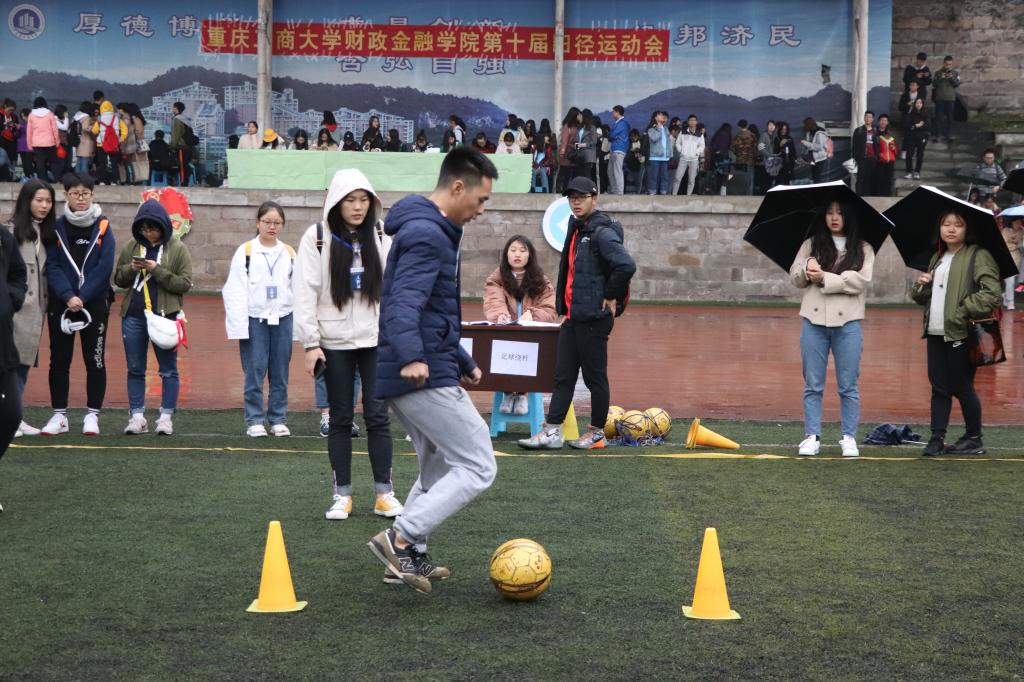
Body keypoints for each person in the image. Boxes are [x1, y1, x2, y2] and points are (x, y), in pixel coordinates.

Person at [366, 147, 499, 594]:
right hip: (417, 372)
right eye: (481, 199)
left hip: (423, 365)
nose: (481, 210)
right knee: (478, 463)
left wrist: (462, 360)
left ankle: (408, 557)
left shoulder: (430, 228)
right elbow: (403, 302)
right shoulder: (428, 233)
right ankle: (400, 539)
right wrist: (412, 357)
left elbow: (432, 312)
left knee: (439, 466)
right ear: (458, 187)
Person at [294, 169, 399, 521]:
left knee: (377, 417)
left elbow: (394, 288)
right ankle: (342, 495)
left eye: (364, 200)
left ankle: (384, 494)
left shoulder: (380, 234)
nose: (357, 207)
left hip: (375, 340)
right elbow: (305, 292)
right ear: (337, 202)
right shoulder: (317, 237)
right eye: (350, 200)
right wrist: (311, 344)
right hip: (332, 342)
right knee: (340, 418)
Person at [519, 176, 636, 451]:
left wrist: (611, 295)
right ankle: (552, 431)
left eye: (581, 197)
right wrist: (564, 310)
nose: (576, 202)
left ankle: (596, 433)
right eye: (572, 198)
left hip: (594, 318)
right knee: (563, 376)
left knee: (595, 378)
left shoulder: (601, 232)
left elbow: (626, 265)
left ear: (594, 199)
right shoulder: (577, 228)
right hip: (573, 317)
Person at [910, 210, 1002, 455]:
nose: (951, 229)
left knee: (962, 386)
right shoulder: (937, 257)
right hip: (935, 331)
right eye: (946, 224)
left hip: (961, 332)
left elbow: (992, 293)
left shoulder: (978, 255)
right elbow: (922, 297)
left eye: (958, 225)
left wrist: (962, 310)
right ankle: (936, 438)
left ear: (967, 229)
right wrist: (921, 284)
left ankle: (974, 438)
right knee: (939, 388)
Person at [788, 201, 873, 457]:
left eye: (840, 212)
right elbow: (795, 277)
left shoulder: (864, 248)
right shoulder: (811, 244)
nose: (834, 217)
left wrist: (824, 277)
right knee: (813, 383)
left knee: (848, 385)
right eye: (829, 212)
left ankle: (849, 437)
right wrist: (807, 268)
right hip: (813, 322)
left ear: (849, 216)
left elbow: (859, 281)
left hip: (848, 323)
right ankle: (811, 436)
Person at [41, 172, 116, 436]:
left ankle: (92, 415)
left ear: (92, 195)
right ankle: (59, 416)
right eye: (75, 194)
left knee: (94, 359)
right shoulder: (56, 227)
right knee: (59, 361)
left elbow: (104, 266)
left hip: (93, 304)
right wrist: (68, 295)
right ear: (66, 195)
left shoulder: (103, 226)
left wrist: (82, 296)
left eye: (85, 193)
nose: (80, 198)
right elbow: (52, 265)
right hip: (62, 303)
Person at [113, 199, 192, 436]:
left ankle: (165, 418)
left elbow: (184, 284)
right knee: (135, 368)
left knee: (168, 369)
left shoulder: (177, 248)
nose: (148, 234)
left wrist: (156, 269)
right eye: (144, 229)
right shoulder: (132, 246)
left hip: (165, 316)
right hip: (134, 315)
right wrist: (131, 268)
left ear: (164, 227)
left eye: (153, 229)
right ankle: (137, 417)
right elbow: (118, 279)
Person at [223, 201, 296, 437]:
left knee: (280, 371)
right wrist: (239, 325)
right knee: (254, 370)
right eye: (267, 222)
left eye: (277, 223)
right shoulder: (246, 251)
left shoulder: (289, 252)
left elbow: (297, 287)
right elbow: (234, 289)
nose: (272, 227)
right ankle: (254, 419)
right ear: (258, 223)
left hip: (283, 318)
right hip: (255, 319)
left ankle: (277, 418)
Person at [483, 234, 556, 415]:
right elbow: (493, 301)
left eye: (523, 251)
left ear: (530, 255)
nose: (517, 254)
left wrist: (533, 314)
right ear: (506, 254)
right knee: (499, 347)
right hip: (505, 334)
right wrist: (500, 316)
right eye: (513, 250)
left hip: (532, 337)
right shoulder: (496, 279)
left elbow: (550, 309)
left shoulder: (541, 280)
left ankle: (523, 394)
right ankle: (508, 393)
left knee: (531, 350)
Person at [6, 180, 55, 437]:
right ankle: (8, 418)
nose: (44, 206)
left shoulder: (46, 234)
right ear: (27, 201)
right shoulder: (10, 232)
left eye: (48, 201)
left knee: (23, 365)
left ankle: (15, 417)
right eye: (39, 200)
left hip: (35, 313)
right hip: (12, 312)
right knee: (8, 367)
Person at [0, 205, 28, 512]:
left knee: (11, 415)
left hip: (3, 347)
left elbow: (19, 273)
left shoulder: (2, 237)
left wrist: (10, 299)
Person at [91, 101, 126, 185]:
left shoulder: (100, 119)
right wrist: (122, 138)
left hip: (101, 144)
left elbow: (94, 131)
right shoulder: (116, 118)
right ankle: (114, 181)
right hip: (114, 144)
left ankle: (102, 181)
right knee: (114, 163)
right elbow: (124, 128)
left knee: (102, 163)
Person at [27, 97, 60, 183]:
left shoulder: (31, 115)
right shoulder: (50, 114)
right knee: (54, 162)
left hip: (37, 143)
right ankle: (57, 179)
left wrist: (29, 145)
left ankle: (43, 181)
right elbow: (55, 129)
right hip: (50, 142)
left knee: (40, 162)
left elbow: (29, 132)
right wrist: (57, 142)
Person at [932, 56, 960, 142]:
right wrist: (941, 78)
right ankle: (938, 135)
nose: (948, 66)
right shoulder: (938, 73)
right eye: (947, 64)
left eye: (950, 64)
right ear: (944, 63)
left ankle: (949, 135)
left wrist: (951, 78)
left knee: (950, 118)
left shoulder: (955, 73)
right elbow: (934, 84)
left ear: (952, 64)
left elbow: (957, 84)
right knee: (938, 118)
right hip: (940, 98)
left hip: (950, 98)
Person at [852, 111, 879, 196]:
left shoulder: (875, 131)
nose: (868, 118)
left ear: (872, 119)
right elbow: (854, 145)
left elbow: (877, 145)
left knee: (869, 177)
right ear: (864, 118)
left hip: (872, 157)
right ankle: (859, 194)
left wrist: (876, 156)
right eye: (866, 116)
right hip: (862, 158)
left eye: (870, 117)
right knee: (860, 177)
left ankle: (867, 195)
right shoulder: (858, 130)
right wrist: (855, 157)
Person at [168, 102, 195, 186]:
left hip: (181, 147)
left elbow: (175, 135)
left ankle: (184, 184)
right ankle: (185, 181)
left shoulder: (177, 119)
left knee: (182, 167)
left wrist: (172, 147)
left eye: (173, 107)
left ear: (176, 108)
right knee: (185, 165)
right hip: (188, 147)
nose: (172, 109)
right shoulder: (185, 119)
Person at [556, 107, 582, 194]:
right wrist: (562, 152)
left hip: (572, 153)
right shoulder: (568, 126)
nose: (580, 117)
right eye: (578, 115)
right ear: (574, 115)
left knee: (566, 173)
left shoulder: (577, 126)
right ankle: (560, 190)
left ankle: (564, 190)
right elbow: (564, 141)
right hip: (567, 153)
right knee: (563, 172)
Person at [729, 119, 757, 196]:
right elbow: (756, 148)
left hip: (740, 161)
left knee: (741, 178)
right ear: (747, 125)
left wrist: (738, 154)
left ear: (739, 126)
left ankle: (741, 194)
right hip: (750, 161)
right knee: (750, 179)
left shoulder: (736, 137)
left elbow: (732, 148)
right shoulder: (752, 136)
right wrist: (754, 156)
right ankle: (749, 195)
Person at [646, 111, 671, 195]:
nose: (662, 116)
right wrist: (659, 128)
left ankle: (663, 191)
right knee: (654, 175)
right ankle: (652, 191)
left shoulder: (666, 128)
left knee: (664, 176)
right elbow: (654, 138)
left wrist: (669, 153)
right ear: (655, 118)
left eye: (663, 115)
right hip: (655, 156)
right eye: (660, 115)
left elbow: (668, 142)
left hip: (665, 156)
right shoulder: (651, 129)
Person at [904, 98, 929, 180]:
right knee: (909, 154)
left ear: (922, 104)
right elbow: (907, 125)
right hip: (911, 137)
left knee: (920, 155)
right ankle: (909, 172)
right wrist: (916, 126)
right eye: (917, 103)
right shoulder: (911, 114)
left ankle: (917, 171)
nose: (918, 104)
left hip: (922, 137)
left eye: (920, 103)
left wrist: (918, 127)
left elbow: (927, 126)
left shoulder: (925, 114)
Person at [1000, 216, 1022, 310]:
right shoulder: (1005, 231)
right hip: (1007, 259)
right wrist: (1015, 245)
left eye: (1019, 222)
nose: (1018, 224)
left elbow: (1022, 245)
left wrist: (1018, 244)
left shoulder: (1022, 232)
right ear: (1011, 223)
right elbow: (1003, 245)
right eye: (1016, 222)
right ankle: (1010, 302)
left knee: (1017, 282)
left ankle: (1005, 295)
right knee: (1010, 281)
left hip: (1019, 260)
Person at [606, 106, 629, 195]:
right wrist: (612, 135)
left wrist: (612, 135)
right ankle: (614, 190)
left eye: (613, 112)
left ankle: (619, 192)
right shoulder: (618, 123)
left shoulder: (622, 123)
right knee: (610, 171)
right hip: (614, 149)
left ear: (618, 112)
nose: (612, 114)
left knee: (617, 171)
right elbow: (611, 134)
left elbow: (611, 134)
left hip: (619, 149)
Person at [801, 117, 831, 183]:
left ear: (809, 124)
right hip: (814, 158)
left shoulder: (819, 133)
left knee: (817, 177)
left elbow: (819, 147)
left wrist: (806, 143)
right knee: (815, 176)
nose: (805, 126)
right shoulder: (813, 132)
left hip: (820, 159)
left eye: (805, 125)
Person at [874, 115, 897, 197]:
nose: (883, 122)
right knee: (878, 178)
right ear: (878, 122)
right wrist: (879, 154)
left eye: (885, 120)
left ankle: (887, 195)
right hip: (878, 160)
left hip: (889, 160)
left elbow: (895, 149)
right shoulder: (874, 133)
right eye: (882, 120)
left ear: (887, 122)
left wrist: (893, 148)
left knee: (888, 178)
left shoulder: (891, 134)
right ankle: (878, 196)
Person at [73, 103, 97, 175]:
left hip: (79, 140)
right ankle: (84, 177)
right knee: (84, 161)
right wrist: (93, 128)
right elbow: (85, 128)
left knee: (79, 160)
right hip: (86, 141)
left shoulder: (77, 116)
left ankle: (77, 176)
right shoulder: (86, 117)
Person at [624, 128, 646, 194]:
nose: (633, 138)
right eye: (632, 137)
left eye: (635, 136)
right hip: (631, 165)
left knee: (639, 180)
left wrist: (638, 150)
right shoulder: (629, 143)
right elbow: (627, 154)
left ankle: (638, 193)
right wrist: (631, 151)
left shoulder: (641, 142)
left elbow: (644, 151)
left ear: (638, 136)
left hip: (640, 163)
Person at [775, 121, 797, 186]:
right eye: (782, 129)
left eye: (785, 129)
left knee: (788, 180)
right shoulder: (776, 138)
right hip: (780, 163)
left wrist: (794, 159)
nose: (784, 131)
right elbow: (775, 150)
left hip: (789, 162)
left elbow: (793, 150)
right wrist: (780, 145)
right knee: (779, 180)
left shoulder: (789, 138)